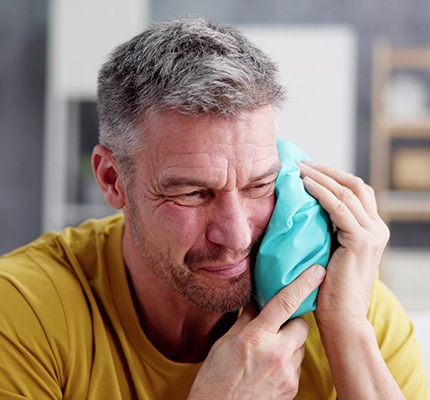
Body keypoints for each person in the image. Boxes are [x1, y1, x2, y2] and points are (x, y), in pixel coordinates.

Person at [0, 16, 428, 400]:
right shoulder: (22, 313)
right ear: (113, 180)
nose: (238, 236)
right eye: (192, 193)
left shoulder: (348, 304)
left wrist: (349, 333)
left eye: (260, 185)